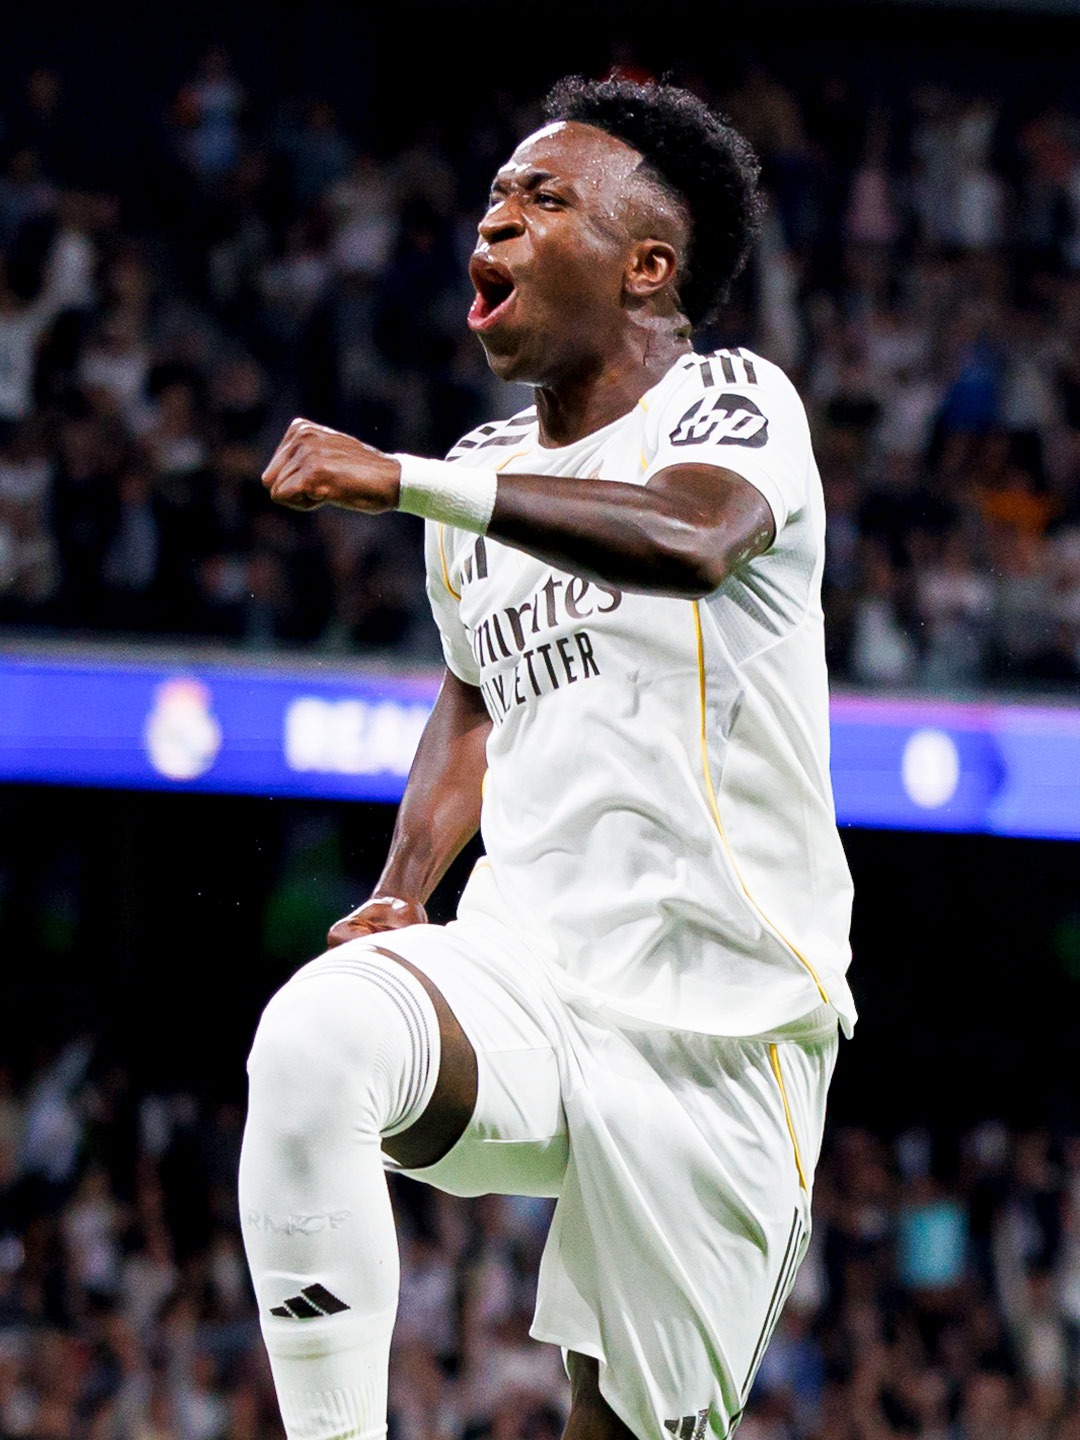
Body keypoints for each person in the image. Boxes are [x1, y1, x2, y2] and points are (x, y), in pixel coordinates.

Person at [241, 75, 857, 1440]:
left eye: (545, 197)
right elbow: (474, 696)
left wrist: (403, 478)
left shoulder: (731, 401)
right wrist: (404, 885)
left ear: (649, 267)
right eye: (494, 198)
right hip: (526, 974)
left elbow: (691, 540)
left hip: (724, 1030)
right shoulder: (483, 470)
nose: (498, 219)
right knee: (317, 1039)